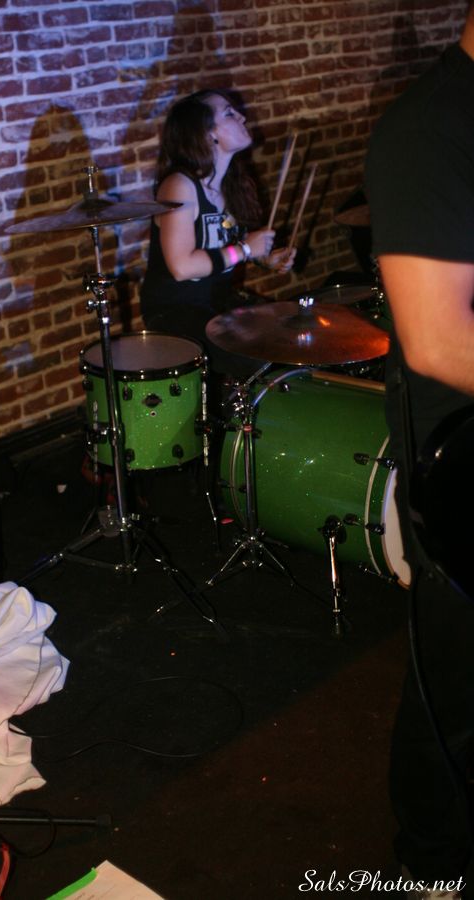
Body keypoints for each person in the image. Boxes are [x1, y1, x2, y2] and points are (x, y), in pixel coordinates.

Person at [365, 4, 474, 898]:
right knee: (457, 689)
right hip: (463, 467)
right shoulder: (430, 129)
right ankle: (431, 868)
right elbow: (438, 341)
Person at [140, 89, 296, 375]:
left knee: (289, 331)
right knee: (261, 355)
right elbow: (182, 266)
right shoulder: (179, 186)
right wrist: (246, 249)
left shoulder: (229, 185)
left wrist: (264, 258)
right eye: (229, 113)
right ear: (207, 134)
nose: (242, 117)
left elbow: (226, 246)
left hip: (217, 304)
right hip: (176, 312)